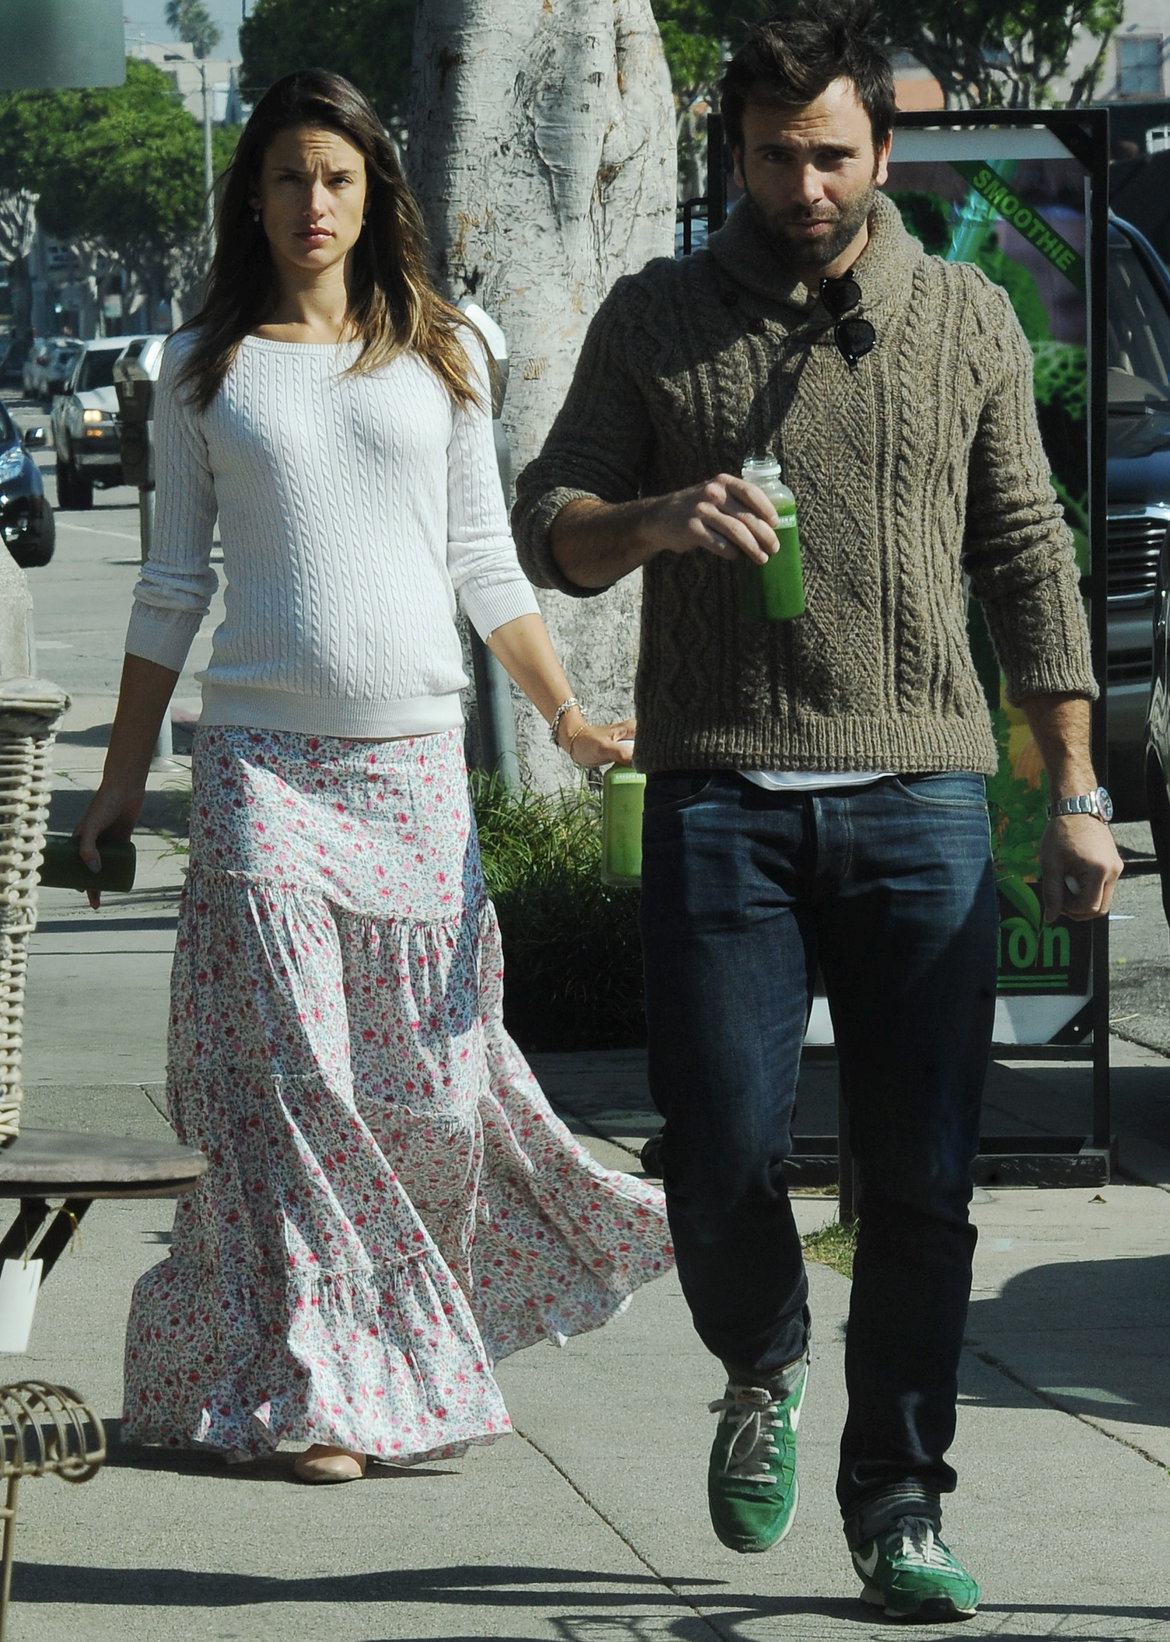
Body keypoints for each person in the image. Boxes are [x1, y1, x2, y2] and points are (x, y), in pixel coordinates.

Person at [513, 2, 1122, 1621]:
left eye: (833, 155)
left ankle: (899, 1494)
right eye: (776, 155)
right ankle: (761, 1361)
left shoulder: (965, 315)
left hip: (921, 799)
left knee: (920, 1180)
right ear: (735, 153)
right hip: (722, 798)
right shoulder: (653, 319)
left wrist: (1071, 789)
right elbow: (547, 528)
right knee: (714, 1151)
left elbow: (1028, 559)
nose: (805, 185)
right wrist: (654, 515)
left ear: (882, 152)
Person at [76, 67, 672, 1486]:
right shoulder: (201, 364)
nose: (312, 205)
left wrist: (570, 717)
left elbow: (481, 559)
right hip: (260, 769)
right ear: (254, 195)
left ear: (374, 191)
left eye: (336, 177)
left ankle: (392, 1341)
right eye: (287, 177)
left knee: (426, 1094)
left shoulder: (452, 345)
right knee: (291, 1086)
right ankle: (318, 1391)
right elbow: (171, 583)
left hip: (413, 767)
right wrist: (113, 785)